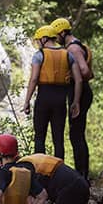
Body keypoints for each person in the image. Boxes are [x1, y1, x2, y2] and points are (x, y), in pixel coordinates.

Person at [22, 26, 82, 159]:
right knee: (58, 139)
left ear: (44, 39)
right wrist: (76, 102)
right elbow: (78, 80)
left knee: (39, 137)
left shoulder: (39, 55)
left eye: (38, 41)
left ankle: (39, 171)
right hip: (61, 100)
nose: (37, 43)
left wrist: (27, 101)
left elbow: (34, 79)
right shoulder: (68, 54)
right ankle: (59, 171)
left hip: (44, 98)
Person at [50, 17, 94, 178]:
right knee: (77, 133)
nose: (56, 39)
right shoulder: (75, 45)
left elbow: (84, 72)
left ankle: (81, 173)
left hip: (80, 93)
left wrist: (75, 100)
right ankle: (82, 172)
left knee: (76, 134)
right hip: (80, 92)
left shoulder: (73, 49)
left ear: (62, 32)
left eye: (56, 36)